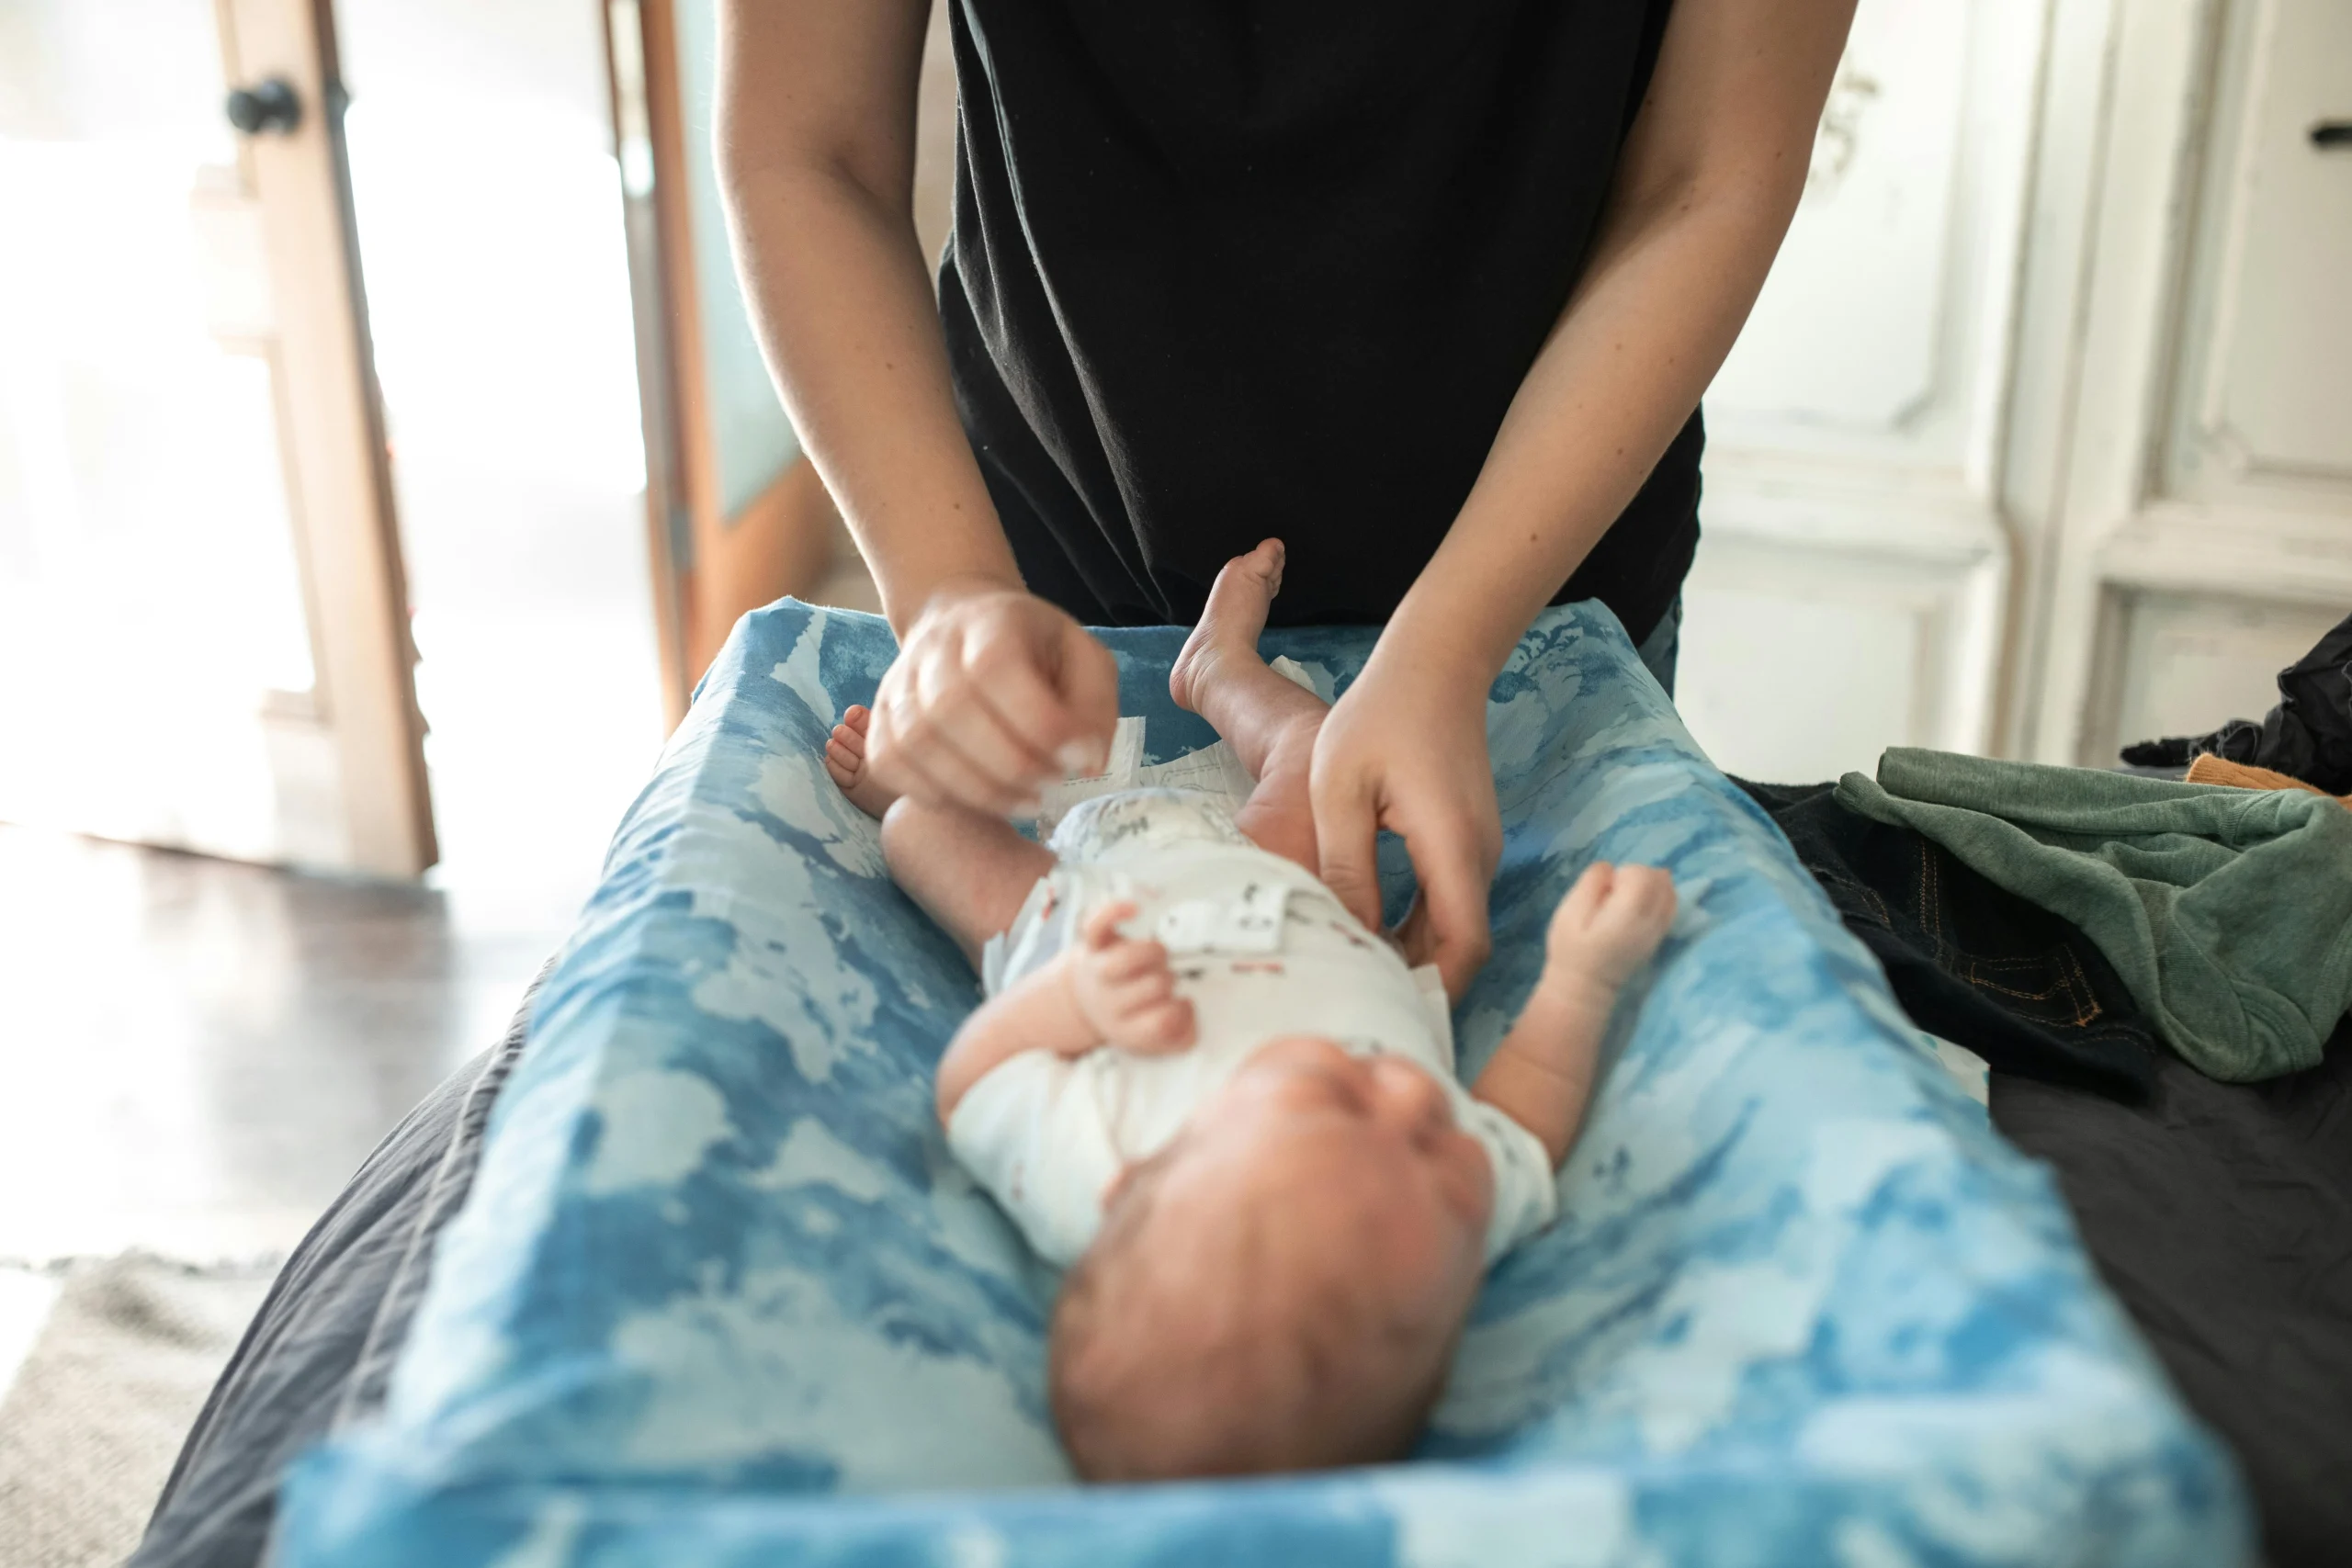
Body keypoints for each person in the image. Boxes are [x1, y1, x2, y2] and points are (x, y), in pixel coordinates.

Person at [719, 0, 1853, 1000]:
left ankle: (1179, 688)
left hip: (1530, 593)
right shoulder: (1422, 1133)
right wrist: (948, 595)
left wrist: (1450, 646)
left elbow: (1708, 170)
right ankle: (1200, 681)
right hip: (1063, 577)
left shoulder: (1077, 1123)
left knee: (993, 883)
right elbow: (806, 147)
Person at [824, 542, 1678, 1478]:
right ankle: (1220, 669)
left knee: (933, 840)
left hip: (1080, 910)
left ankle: (902, 792)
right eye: (1438, 1149)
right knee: (1320, 748)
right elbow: (1522, 1121)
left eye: (1340, 1105)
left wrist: (1070, 1003)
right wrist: (1581, 984)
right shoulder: (1442, 1228)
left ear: (1147, 1189)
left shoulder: (1100, 1175)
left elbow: (971, 1083)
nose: (1411, 1096)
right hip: (1292, 892)